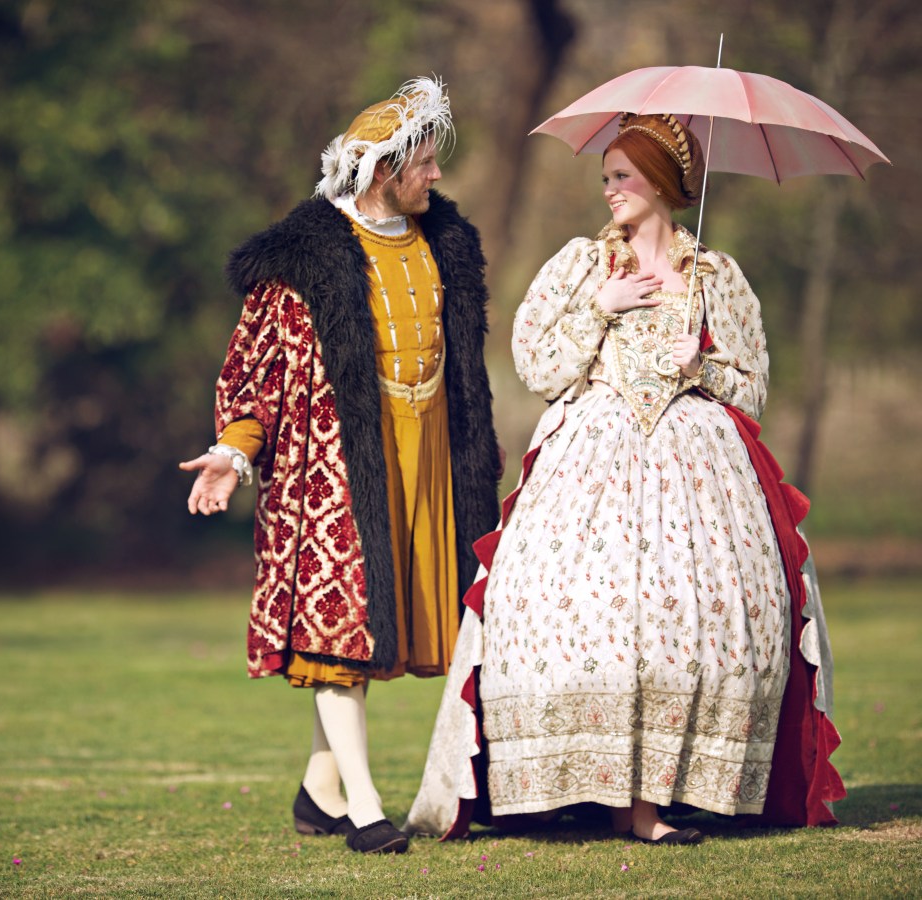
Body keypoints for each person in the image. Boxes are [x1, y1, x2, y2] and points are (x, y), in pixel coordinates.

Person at [405, 112, 844, 844]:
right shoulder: (582, 265)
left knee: (693, 621)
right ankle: (603, 796)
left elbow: (755, 386)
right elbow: (538, 367)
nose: (609, 189)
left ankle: (661, 795)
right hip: (593, 461)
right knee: (583, 613)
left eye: (623, 176)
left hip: (698, 468)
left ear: (665, 183)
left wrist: (698, 362)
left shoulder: (717, 277)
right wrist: (597, 311)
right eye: (605, 176)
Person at [179, 77, 501, 854]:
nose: (436, 176)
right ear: (385, 170)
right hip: (333, 473)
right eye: (425, 163)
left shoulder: (444, 243)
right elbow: (258, 372)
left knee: (386, 634)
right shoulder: (306, 259)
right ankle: (362, 810)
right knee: (340, 633)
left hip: (429, 463)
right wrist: (232, 452)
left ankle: (320, 789)